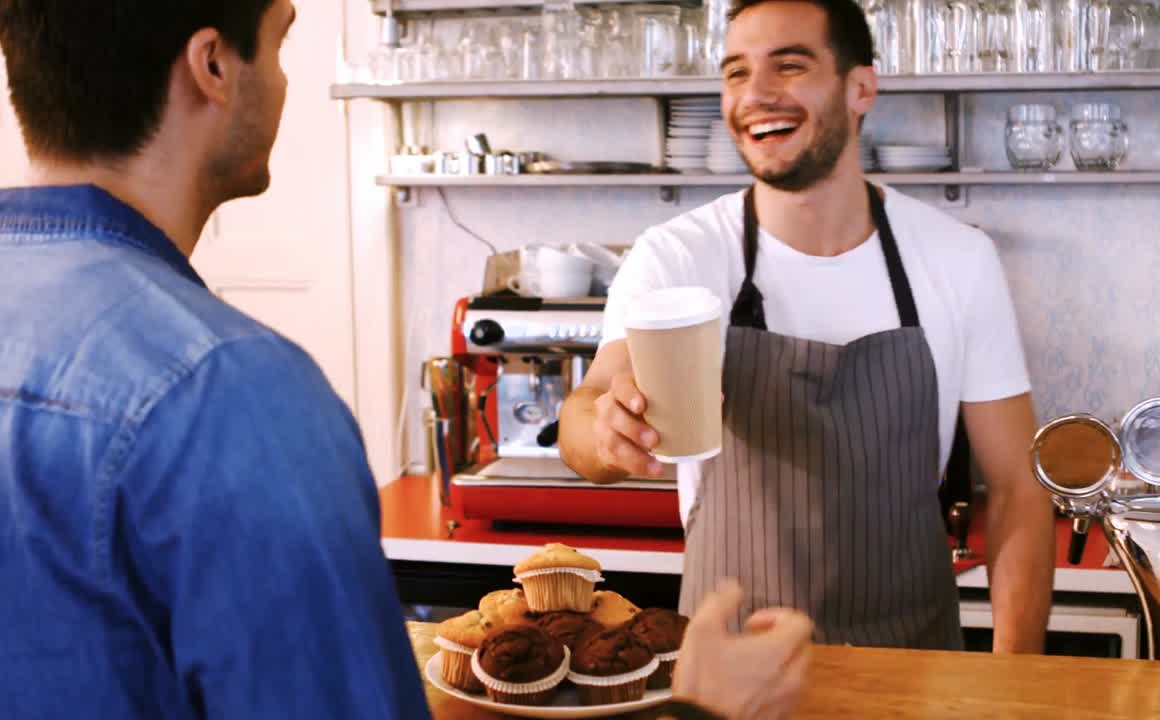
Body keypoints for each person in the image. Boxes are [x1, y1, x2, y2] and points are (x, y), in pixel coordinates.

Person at [0, 1, 812, 718]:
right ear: (214, 66)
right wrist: (702, 712)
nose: (286, 84)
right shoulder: (234, 395)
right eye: (282, 44)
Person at [561, 0, 1056, 652]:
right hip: (729, 672)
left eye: (788, 66)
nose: (756, 95)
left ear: (861, 88)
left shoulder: (957, 259)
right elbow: (586, 412)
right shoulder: (678, 257)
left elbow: (1020, 486)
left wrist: (1012, 680)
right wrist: (606, 431)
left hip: (914, 670)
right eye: (736, 73)